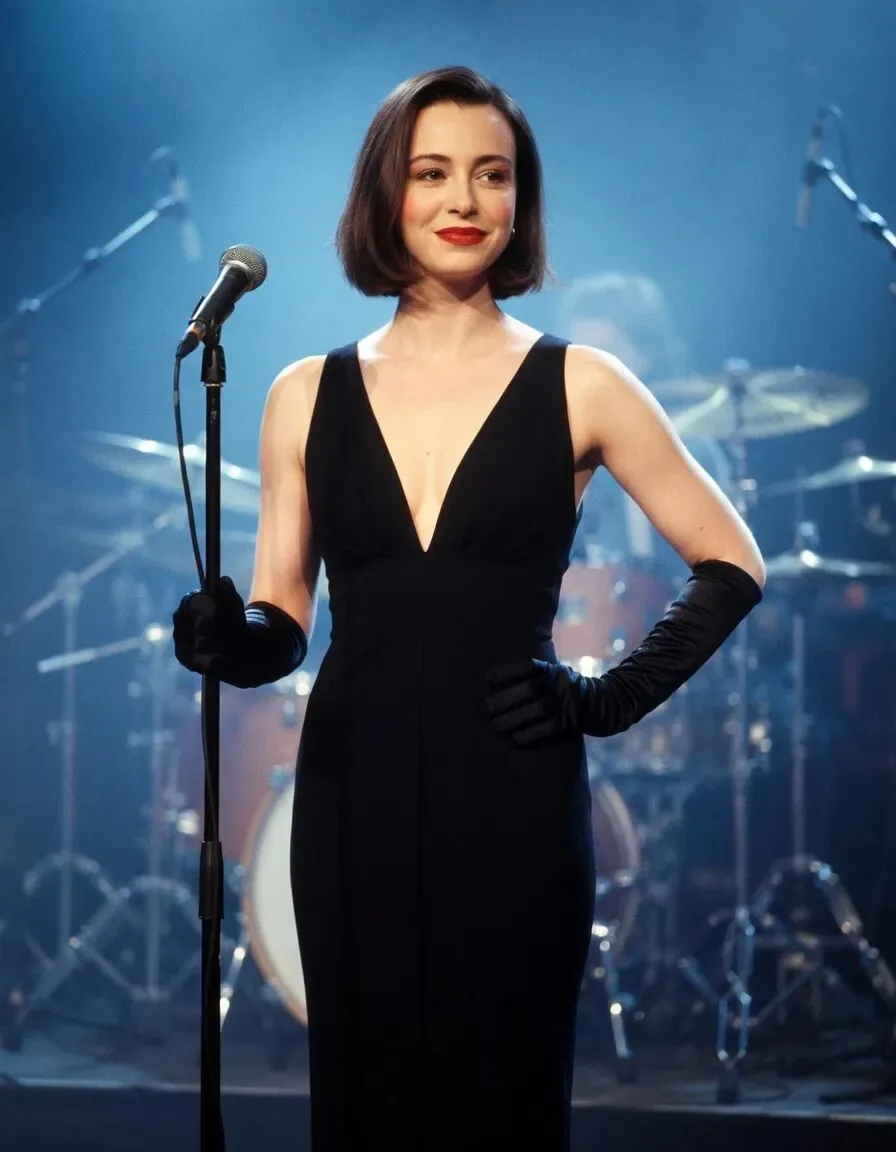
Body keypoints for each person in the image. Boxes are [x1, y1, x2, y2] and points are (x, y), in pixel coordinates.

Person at [173, 66, 765, 1151]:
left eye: (491, 175)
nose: (463, 199)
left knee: (504, 1099)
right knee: (364, 1102)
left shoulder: (583, 382)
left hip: (513, 787)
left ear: (519, 201)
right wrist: (228, 642)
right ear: (384, 194)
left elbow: (731, 560)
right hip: (350, 789)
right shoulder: (302, 392)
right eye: (432, 172)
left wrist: (604, 698)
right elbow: (282, 617)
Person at [558, 271, 732, 570]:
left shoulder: (690, 448)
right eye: (579, 355)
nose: (589, 372)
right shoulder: (555, 445)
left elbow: (722, 567)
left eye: (605, 354)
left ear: (646, 356)